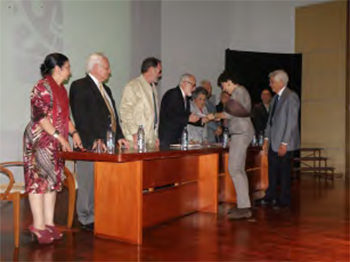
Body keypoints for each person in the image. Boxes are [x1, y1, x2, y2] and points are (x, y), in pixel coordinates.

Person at [23, 53, 83, 244]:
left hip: (55, 142)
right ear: (57, 69)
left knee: (52, 181)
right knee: (38, 181)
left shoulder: (62, 90)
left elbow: (65, 117)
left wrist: (74, 134)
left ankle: (48, 224)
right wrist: (59, 136)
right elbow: (40, 118)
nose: (70, 71)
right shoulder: (41, 87)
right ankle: (38, 226)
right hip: (39, 140)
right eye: (67, 67)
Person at [70, 53, 128, 230]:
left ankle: (99, 214)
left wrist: (120, 137)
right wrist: (93, 139)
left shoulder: (106, 89)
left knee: (102, 181)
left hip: (108, 144)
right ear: (95, 67)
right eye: (106, 67)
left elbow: (113, 116)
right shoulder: (79, 85)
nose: (109, 72)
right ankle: (86, 218)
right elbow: (81, 117)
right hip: (90, 144)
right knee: (87, 182)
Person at [257, 70, 300, 209]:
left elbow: (291, 122)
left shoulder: (291, 97)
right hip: (273, 142)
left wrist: (284, 143)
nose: (270, 85)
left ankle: (284, 200)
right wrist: (266, 139)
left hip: (284, 144)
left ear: (281, 82)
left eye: (272, 82)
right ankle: (270, 196)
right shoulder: (275, 99)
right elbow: (270, 121)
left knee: (285, 173)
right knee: (273, 171)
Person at [216, 71, 255, 219]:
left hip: (241, 133)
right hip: (241, 132)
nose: (224, 89)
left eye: (224, 85)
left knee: (234, 169)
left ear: (229, 81)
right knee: (238, 169)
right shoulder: (241, 92)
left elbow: (230, 113)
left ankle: (244, 207)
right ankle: (244, 206)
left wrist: (213, 116)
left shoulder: (239, 91)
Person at [120, 57, 162, 148]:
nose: (160, 74)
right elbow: (125, 111)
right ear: (151, 70)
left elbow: (153, 116)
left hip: (149, 140)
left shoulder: (153, 88)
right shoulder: (133, 86)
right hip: (135, 141)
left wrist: (155, 136)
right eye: (159, 71)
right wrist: (134, 132)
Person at [159, 73, 202, 147]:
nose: (194, 89)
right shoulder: (172, 94)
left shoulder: (186, 98)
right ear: (184, 83)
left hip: (178, 137)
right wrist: (188, 118)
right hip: (168, 138)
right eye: (193, 85)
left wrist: (201, 120)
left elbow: (185, 116)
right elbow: (171, 115)